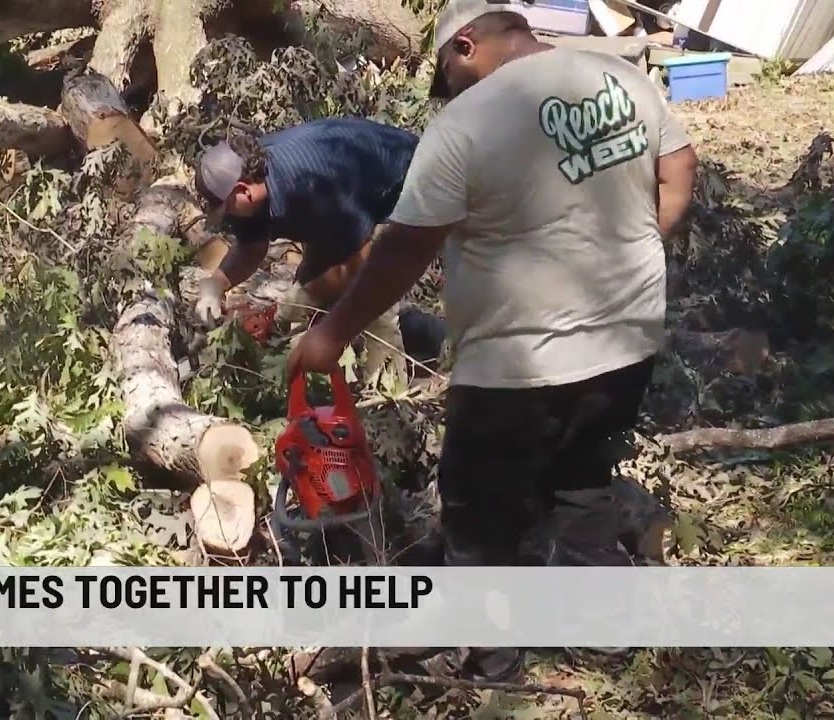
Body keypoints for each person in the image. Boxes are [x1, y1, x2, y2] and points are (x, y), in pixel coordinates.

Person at [286, 0, 698, 679]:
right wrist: (637, 247)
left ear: (467, 46)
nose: (451, 90)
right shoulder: (620, 80)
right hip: (627, 338)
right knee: (582, 481)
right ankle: (602, 639)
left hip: (519, 358)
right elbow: (679, 168)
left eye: (449, 74)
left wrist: (331, 333)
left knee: (479, 507)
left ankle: (489, 657)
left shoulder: (467, 123)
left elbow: (405, 249)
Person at [193, 118, 419, 385]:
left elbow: (358, 259)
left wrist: (295, 301)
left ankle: (387, 393)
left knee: (374, 301)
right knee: (313, 296)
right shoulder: (249, 184)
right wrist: (218, 282)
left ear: (243, 191)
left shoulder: (307, 184)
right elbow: (251, 246)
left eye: (228, 209)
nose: (229, 217)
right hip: (338, 209)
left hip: (401, 182)